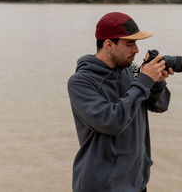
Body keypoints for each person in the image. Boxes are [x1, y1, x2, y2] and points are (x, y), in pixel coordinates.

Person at [67, 12, 174, 192]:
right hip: (102, 186)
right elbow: (112, 122)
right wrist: (144, 81)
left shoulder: (130, 71)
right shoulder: (80, 82)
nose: (136, 50)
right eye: (130, 43)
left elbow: (161, 105)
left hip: (137, 183)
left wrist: (156, 83)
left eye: (136, 43)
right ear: (109, 44)